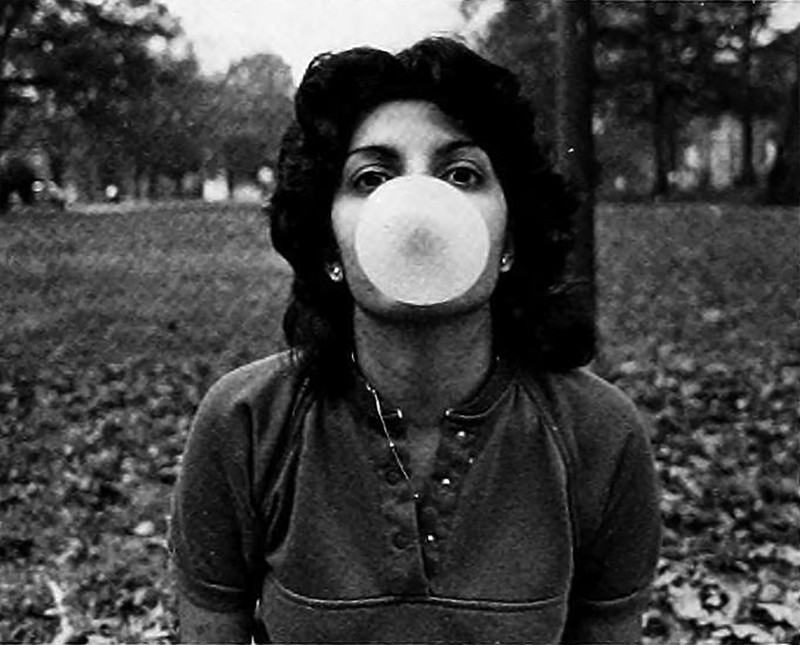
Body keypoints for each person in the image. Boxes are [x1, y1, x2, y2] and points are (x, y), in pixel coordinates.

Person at [170, 37, 661, 644]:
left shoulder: (599, 435)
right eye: (373, 177)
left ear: (509, 242)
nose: (419, 209)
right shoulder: (245, 425)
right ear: (329, 248)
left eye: (461, 174)